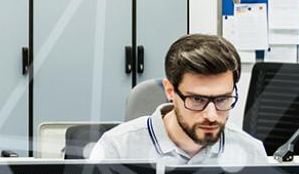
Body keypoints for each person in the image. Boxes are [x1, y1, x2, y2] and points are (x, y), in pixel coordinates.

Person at [92, 34, 270, 165]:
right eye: (198, 99)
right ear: (170, 91)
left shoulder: (251, 153)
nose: (212, 115)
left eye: (222, 99)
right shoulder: (116, 148)